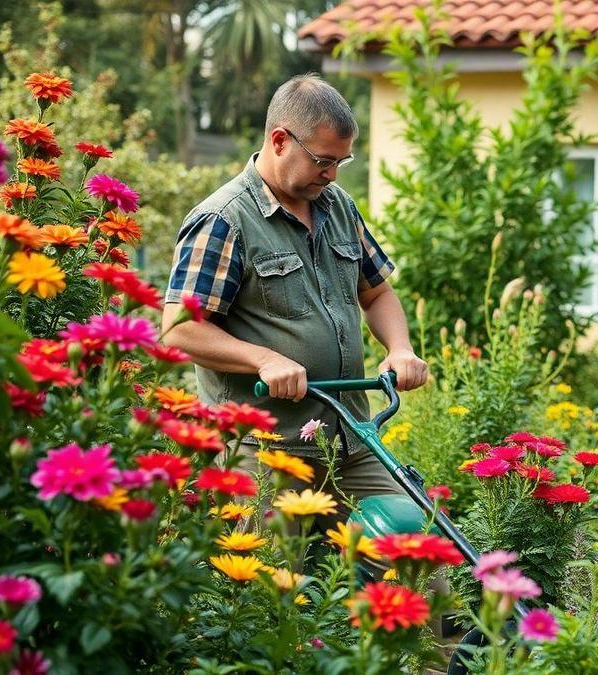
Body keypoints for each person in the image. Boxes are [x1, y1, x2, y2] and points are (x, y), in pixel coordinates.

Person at [161, 73, 428, 532]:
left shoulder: (337, 205)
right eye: (324, 161)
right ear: (280, 140)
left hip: (349, 442)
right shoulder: (224, 220)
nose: (332, 174)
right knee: (272, 594)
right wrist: (262, 359)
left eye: (342, 161)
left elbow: (377, 291)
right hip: (265, 452)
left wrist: (400, 348)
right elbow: (180, 329)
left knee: (414, 549)